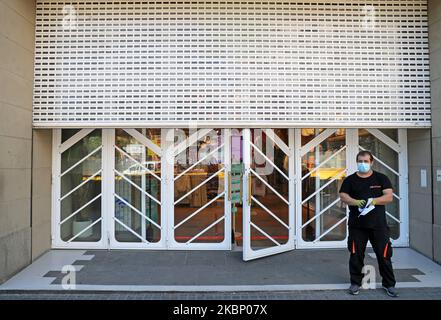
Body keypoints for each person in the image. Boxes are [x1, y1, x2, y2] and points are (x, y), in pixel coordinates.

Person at [339, 150, 398, 297]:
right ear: (357, 162)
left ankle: (389, 285)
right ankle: (355, 283)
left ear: (371, 162)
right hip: (357, 226)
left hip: (378, 226)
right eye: (360, 161)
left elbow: (389, 196)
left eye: (366, 161)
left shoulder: (381, 178)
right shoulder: (350, 180)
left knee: (384, 255)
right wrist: (355, 202)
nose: (363, 164)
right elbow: (343, 195)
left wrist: (374, 201)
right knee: (356, 255)